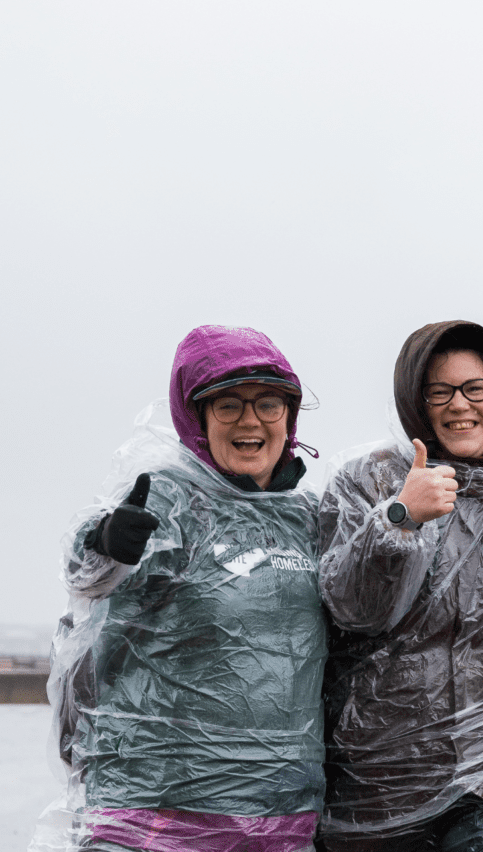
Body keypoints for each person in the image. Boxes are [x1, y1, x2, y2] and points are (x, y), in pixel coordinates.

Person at [37, 325, 326, 852]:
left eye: (267, 403)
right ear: (196, 419)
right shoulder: (169, 499)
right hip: (156, 809)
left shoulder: (307, 519)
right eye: (227, 406)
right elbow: (90, 583)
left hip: (282, 815)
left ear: (289, 416)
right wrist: (105, 541)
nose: (250, 421)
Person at [316, 320, 483, 852]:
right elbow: (352, 610)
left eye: (475, 388)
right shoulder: (364, 482)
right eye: (439, 392)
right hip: (380, 786)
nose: (460, 405)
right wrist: (397, 519)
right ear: (416, 402)